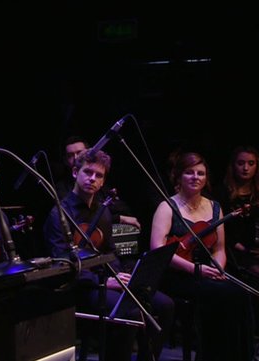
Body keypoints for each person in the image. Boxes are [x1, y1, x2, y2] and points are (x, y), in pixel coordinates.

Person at [44, 149, 174, 361]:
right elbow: (62, 264)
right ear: (75, 173)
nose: (92, 179)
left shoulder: (102, 211)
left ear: (103, 181)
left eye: (99, 175)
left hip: (107, 281)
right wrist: (103, 281)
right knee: (130, 312)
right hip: (81, 285)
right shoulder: (59, 213)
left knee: (166, 305)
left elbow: (110, 251)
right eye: (88, 172)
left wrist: (122, 277)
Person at [150, 151, 255, 361]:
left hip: (205, 272)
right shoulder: (167, 206)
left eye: (200, 173)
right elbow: (157, 249)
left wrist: (218, 268)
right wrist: (196, 269)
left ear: (206, 178)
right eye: (189, 172)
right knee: (225, 295)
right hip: (175, 274)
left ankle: (239, 356)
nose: (195, 177)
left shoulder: (215, 207)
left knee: (242, 294)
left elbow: (220, 248)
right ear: (179, 176)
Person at [214, 145, 259, 348]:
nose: (245, 168)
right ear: (233, 166)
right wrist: (245, 250)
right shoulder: (223, 193)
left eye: (251, 164)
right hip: (234, 251)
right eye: (241, 163)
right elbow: (223, 230)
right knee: (256, 274)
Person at [54, 135, 141, 229]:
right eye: (70, 155)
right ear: (74, 172)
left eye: (79, 152)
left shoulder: (98, 181)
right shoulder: (61, 188)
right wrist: (118, 218)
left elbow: (122, 209)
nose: (75, 157)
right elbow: (81, 215)